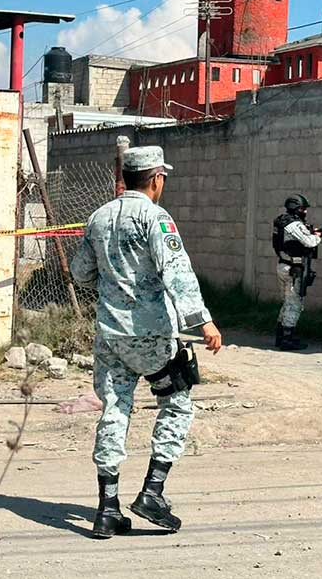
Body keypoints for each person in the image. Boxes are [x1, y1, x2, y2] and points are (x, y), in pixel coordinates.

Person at [70, 145, 223, 539]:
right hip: (151, 332)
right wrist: (203, 321)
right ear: (156, 179)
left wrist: (113, 282)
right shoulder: (155, 218)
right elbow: (177, 272)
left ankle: (107, 508)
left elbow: (81, 272)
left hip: (110, 333)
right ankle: (153, 492)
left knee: (114, 410)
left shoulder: (99, 217)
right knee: (177, 400)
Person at [272, 194, 322, 350]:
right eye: (302, 209)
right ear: (295, 208)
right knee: (294, 304)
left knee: (287, 302)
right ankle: (287, 339)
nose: (305, 212)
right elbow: (309, 242)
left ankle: (280, 336)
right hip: (293, 269)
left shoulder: (281, 221)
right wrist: (317, 236)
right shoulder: (293, 224)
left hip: (283, 265)